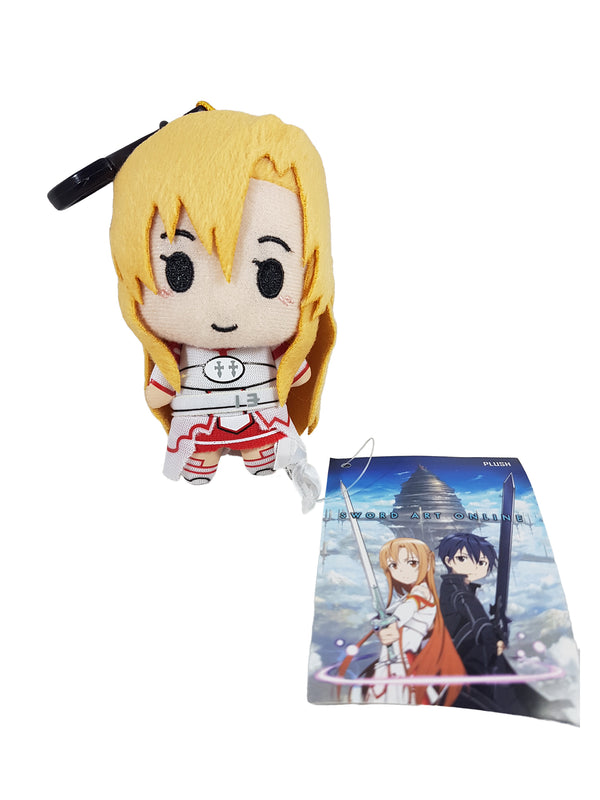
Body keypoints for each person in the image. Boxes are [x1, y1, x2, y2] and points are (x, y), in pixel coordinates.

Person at [109, 106, 335, 505]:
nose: (226, 305)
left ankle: (258, 452)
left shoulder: (260, 350)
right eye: (179, 272)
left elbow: (296, 374)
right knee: (199, 448)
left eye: (270, 275)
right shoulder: (182, 356)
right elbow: (160, 389)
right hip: (200, 421)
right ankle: (204, 459)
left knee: (261, 445)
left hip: (259, 417)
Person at [340, 538, 465, 705]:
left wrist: (394, 621)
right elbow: (386, 618)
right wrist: (381, 628)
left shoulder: (422, 592)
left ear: (427, 564)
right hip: (388, 663)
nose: (402, 570)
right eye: (394, 565)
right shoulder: (403, 599)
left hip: (403, 665)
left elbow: (410, 607)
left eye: (412, 563)